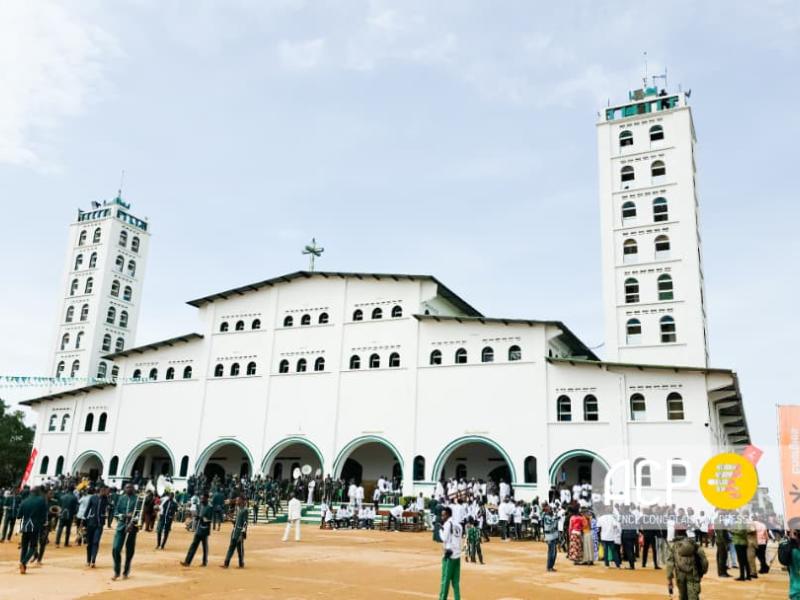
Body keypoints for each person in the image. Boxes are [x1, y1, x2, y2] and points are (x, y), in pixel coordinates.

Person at [666, 519, 708, 600]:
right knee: (693, 596)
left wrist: (669, 578)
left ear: (676, 532)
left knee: (682, 596)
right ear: (685, 531)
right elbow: (704, 560)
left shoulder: (673, 546)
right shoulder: (694, 544)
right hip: (693, 573)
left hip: (680, 574)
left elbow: (669, 563)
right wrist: (702, 572)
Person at [111, 484, 139, 580]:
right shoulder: (121, 499)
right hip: (121, 526)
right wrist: (124, 516)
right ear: (124, 489)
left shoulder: (137, 499)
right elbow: (115, 513)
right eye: (127, 487)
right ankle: (116, 571)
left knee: (129, 550)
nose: (128, 489)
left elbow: (139, 513)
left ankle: (126, 572)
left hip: (132, 527)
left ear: (133, 489)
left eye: (130, 487)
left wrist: (133, 521)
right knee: (115, 548)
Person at [18, 486, 47, 574]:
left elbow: (19, 516)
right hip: (35, 526)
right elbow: (44, 515)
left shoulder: (24, 501)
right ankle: (23, 562)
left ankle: (22, 565)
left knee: (24, 546)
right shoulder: (41, 500)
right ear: (38, 492)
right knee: (33, 547)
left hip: (25, 526)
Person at [181, 492, 212, 567]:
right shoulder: (201, 506)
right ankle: (187, 561)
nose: (201, 499)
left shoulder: (209, 507)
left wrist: (201, 518)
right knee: (193, 545)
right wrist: (198, 517)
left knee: (205, 547)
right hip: (199, 529)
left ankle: (204, 562)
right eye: (201, 498)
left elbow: (209, 519)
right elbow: (200, 515)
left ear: (207, 498)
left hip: (205, 530)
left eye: (203, 498)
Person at [438, 506, 462, 600]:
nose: (442, 517)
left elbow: (444, 538)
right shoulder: (459, 525)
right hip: (457, 556)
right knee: (455, 582)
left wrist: (440, 530)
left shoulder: (448, 524)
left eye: (443, 515)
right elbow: (459, 539)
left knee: (445, 581)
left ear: (448, 515)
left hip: (449, 556)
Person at [84, 486, 109, 568]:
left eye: (106, 491)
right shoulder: (93, 498)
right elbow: (87, 509)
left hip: (99, 524)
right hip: (91, 523)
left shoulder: (106, 499)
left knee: (96, 542)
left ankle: (93, 561)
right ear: (100, 490)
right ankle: (88, 560)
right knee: (89, 543)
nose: (105, 492)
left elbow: (110, 507)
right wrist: (84, 521)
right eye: (104, 490)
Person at [221, 495, 248, 569]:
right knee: (231, 547)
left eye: (238, 500)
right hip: (234, 531)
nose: (236, 501)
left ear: (242, 501)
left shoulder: (245, 510)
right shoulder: (238, 509)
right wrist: (231, 520)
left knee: (240, 549)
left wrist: (243, 533)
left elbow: (245, 523)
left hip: (239, 532)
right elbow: (237, 522)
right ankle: (226, 563)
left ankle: (241, 563)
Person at [542, 503, 559, 572]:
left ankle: (551, 567)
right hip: (549, 537)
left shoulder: (550, 516)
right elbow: (552, 523)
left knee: (553, 553)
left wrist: (556, 517)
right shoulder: (546, 517)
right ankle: (549, 567)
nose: (551, 510)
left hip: (553, 536)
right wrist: (557, 518)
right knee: (552, 553)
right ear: (546, 510)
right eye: (550, 509)